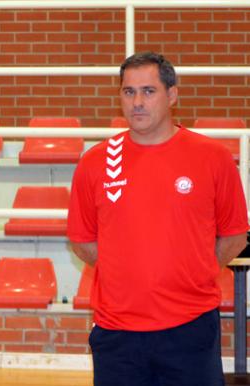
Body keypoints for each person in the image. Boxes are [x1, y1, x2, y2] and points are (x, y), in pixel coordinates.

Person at [67, 51, 248, 386]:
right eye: (128, 91)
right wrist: (126, 274)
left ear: (172, 95)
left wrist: (197, 271)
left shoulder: (214, 158)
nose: (137, 102)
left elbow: (235, 234)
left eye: (148, 91)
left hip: (190, 329)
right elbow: (81, 240)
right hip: (117, 333)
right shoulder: (94, 163)